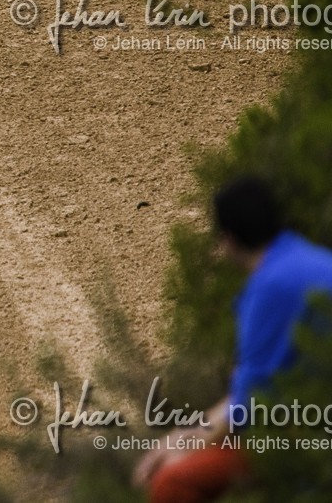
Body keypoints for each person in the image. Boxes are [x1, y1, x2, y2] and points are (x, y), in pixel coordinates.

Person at [133, 176, 332, 503]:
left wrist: (181, 448)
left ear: (228, 240)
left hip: (306, 439)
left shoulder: (269, 288)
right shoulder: (312, 259)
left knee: (171, 482)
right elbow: (251, 393)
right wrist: (182, 437)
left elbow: (246, 408)